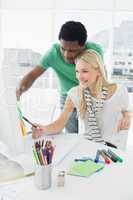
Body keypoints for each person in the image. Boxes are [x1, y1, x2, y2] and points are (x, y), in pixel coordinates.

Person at [16, 21, 104, 134]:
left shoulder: (94, 51)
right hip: (67, 97)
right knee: (72, 134)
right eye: (63, 48)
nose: (66, 54)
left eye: (72, 50)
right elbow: (33, 75)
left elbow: (101, 77)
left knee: (93, 133)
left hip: (91, 95)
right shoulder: (53, 53)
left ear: (83, 46)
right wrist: (19, 91)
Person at [32, 50, 131, 149]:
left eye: (84, 71)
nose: (79, 76)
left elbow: (127, 110)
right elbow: (60, 124)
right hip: (87, 147)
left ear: (98, 72)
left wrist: (127, 116)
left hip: (114, 150)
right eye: (77, 71)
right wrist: (44, 129)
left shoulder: (119, 91)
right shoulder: (74, 93)